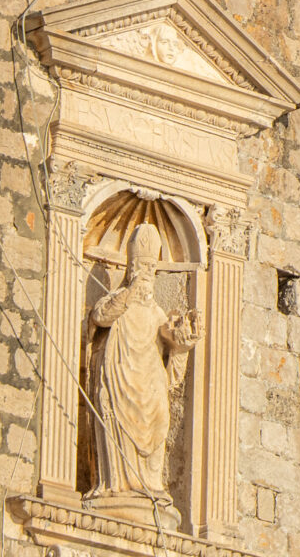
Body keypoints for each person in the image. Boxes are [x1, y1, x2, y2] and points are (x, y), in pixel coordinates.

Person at [88, 222, 199, 527]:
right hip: (120, 378)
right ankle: (119, 487)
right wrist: (128, 294)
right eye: (142, 266)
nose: (147, 272)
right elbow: (100, 316)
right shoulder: (118, 300)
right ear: (132, 267)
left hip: (150, 384)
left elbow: (171, 337)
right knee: (121, 427)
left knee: (159, 426)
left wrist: (183, 340)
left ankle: (152, 488)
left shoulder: (155, 311)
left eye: (152, 267)